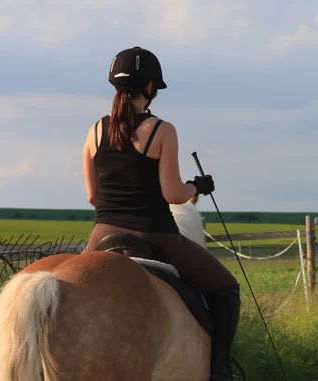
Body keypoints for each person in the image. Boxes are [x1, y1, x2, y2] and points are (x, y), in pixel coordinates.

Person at [81, 46, 240, 381]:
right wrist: (197, 187)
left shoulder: (95, 131)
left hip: (100, 236)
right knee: (226, 288)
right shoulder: (161, 130)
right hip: (155, 234)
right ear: (151, 89)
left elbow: (93, 195)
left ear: (114, 88)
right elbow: (172, 194)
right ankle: (221, 372)